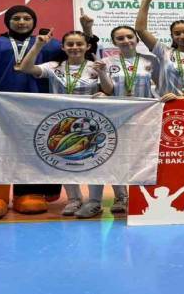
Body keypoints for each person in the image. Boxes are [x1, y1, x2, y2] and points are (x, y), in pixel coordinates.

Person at [0, 5, 64, 220]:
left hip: (39, 107)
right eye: (16, 18)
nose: (21, 22)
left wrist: (87, 30)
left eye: (27, 18)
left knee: (35, 147)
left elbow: (79, 58)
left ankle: (29, 192)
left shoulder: (51, 45)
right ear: (7, 21)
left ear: (34, 22)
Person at [16, 30, 114, 217]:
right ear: (63, 47)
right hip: (63, 123)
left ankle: (95, 202)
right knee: (65, 160)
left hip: (91, 122)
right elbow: (25, 68)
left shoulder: (97, 65)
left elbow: (109, 90)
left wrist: (102, 73)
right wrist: (38, 45)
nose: (75, 47)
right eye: (70, 44)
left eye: (79, 44)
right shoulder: (54, 66)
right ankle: (74, 199)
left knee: (94, 160)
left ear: (87, 46)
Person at [96, 25, 159, 215]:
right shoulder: (106, 62)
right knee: (117, 157)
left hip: (145, 115)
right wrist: (102, 73)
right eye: (120, 38)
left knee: (143, 157)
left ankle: (142, 195)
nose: (126, 41)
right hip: (117, 116)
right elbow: (108, 90)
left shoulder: (151, 60)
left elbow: (161, 85)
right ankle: (121, 196)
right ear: (114, 42)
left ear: (137, 39)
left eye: (129, 37)